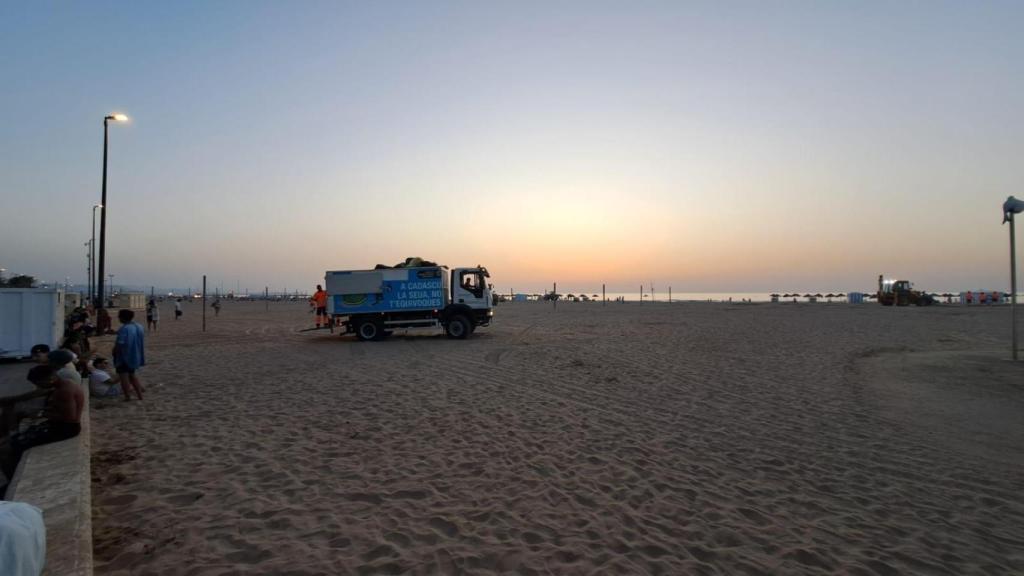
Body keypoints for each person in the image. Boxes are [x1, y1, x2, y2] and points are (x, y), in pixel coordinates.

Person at [1, 365, 84, 480]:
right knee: (8, 442)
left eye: (39, 383)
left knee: (4, 451)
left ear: (50, 379)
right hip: (59, 425)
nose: (38, 386)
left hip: (65, 429)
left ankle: (12, 481)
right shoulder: (62, 385)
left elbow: (70, 418)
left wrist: (41, 414)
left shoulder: (64, 391)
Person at [112, 309, 145, 401]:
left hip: (124, 356)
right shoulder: (139, 326)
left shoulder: (124, 328)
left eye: (119, 317)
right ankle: (140, 395)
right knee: (132, 375)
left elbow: (120, 343)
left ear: (122, 318)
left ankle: (127, 396)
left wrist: (114, 351)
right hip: (135, 356)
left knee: (124, 377)